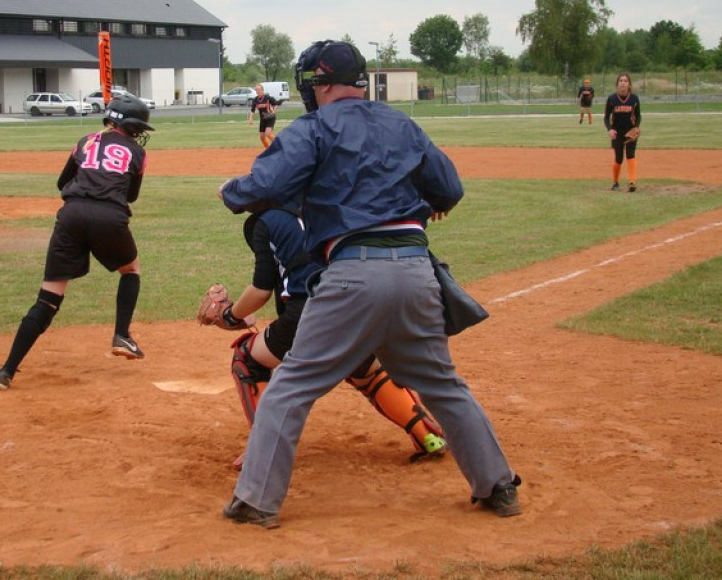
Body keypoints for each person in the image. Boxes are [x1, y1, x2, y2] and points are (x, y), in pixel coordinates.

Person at [218, 40, 521, 528]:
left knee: (290, 387)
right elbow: (449, 188)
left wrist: (230, 191)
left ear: (320, 84)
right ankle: (498, 485)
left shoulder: (314, 126)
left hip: (354, 271)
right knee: (443, 386)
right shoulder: (400, 122)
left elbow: (266, 186)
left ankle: (256, 501)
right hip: (418, 272)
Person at [225, 207, 447, 468]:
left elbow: (261, 289)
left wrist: (230, 316)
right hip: (354, 300)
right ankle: (427, 434)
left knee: (247, 358)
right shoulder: (328, 203)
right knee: (363, 368)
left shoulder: (266, 221)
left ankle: (263, 451)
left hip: (307, 312)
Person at [0, 94, 154, 390]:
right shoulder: (137, 153)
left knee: (48, 298)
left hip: (71, 215)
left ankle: (6, 370)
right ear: (131, 127)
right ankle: (121, 335)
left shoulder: (85, 141)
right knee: (130, 270)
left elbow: (61, 183)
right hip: (109, 217)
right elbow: (130, 196)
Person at [604, 72, 642, 192]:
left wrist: (636, 127)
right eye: (620, 81)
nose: (623, 83)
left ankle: (632, 182)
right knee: (619, 157)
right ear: (617, 84)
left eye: (625, 81)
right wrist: (609, 129)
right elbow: (606, 117)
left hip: (630, 131)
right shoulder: (612, 99)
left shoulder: (634, 99)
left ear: (629, 85)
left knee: (630, 154)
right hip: (617, 132)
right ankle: (615, 182)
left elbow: (638, 115)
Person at [247, 83, 278, 149]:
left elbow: (276, 104)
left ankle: (279, 145)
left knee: (268, 134)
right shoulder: (255, 100)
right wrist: (251, 119)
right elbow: (252, 110)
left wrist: (273, 112)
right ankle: (268, 150)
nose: (258, 91)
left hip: (270, 118)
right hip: (263, 119)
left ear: (263, 90)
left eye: (259, 89)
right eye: (257, 90)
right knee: (262, 137)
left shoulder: (267, 98)